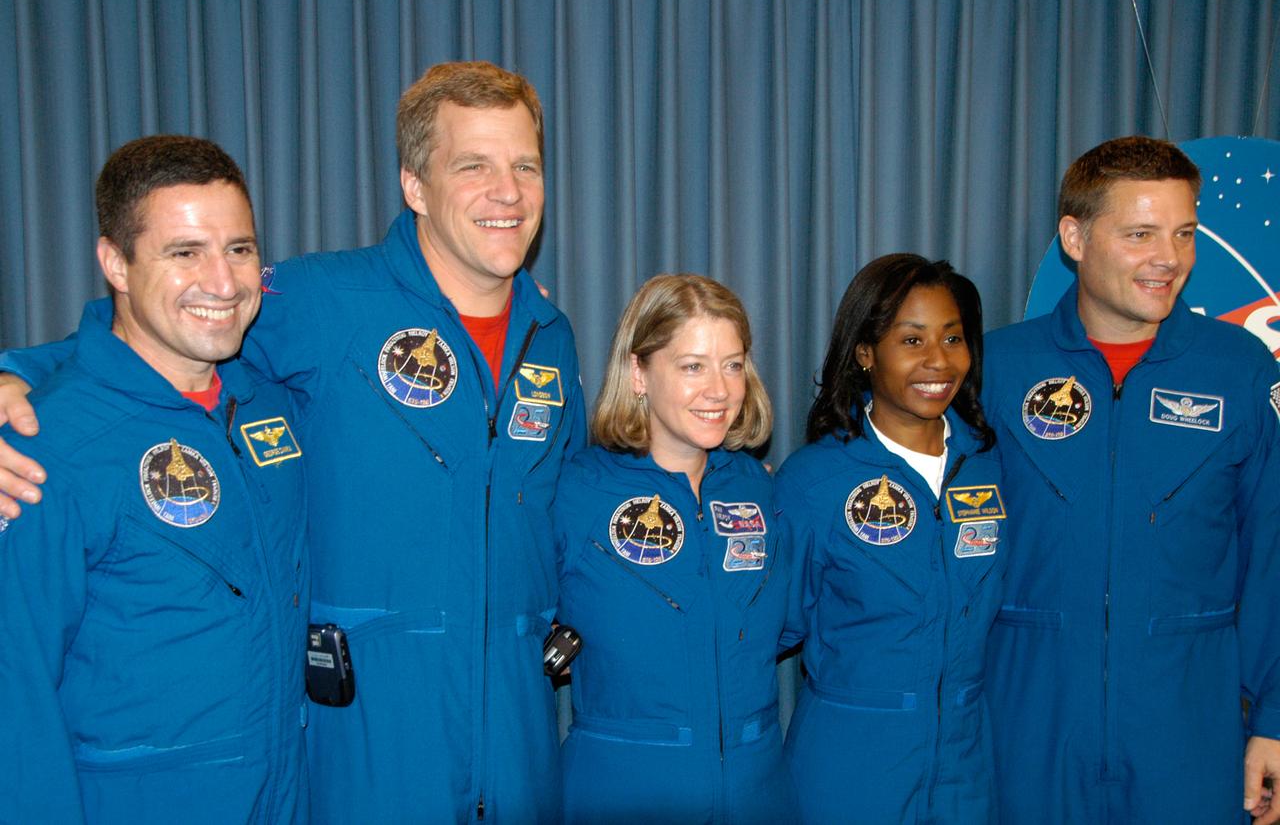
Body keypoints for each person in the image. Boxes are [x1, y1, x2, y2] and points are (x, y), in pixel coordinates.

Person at [0, 61, 586, 823]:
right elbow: (164, 326)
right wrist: (16, 372)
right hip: (367, 745)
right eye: (472, 165)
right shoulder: (320, 299)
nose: (506, 191)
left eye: (524, 166)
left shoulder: (554, 337)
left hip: (516, 736)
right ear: (415, 186)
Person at [0, 136, 308, 823]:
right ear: (115, 262)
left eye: (239, 248)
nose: (224, 283)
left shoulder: (269, 401)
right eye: (184, 252)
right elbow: (12, 695)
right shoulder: (42, 450)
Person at [983, 135, 1280, 824]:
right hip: (1028, 713)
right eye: (1141, 233)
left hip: (1188, 724)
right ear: (1075, 237)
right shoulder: (999, 368)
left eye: (1182, 233)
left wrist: (1273, 715)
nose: (1169, 259)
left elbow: (1271, 552)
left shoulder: (1238, 370)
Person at [552, 274, 795, 823]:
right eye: (692, 366)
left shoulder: (757, 489)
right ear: (638, 372)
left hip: (758, 786)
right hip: (621, 789)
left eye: (732, 364)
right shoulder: (576, 492)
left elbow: (789, 623)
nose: (719, 389)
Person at [776, 253, 1004, 823]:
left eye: (953, 338)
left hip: (965, 768)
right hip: (849, 768)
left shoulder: (992, 466)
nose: (938, 361)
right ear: (864, 352)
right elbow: (768, 629)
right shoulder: (815, 481)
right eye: (912, 341)